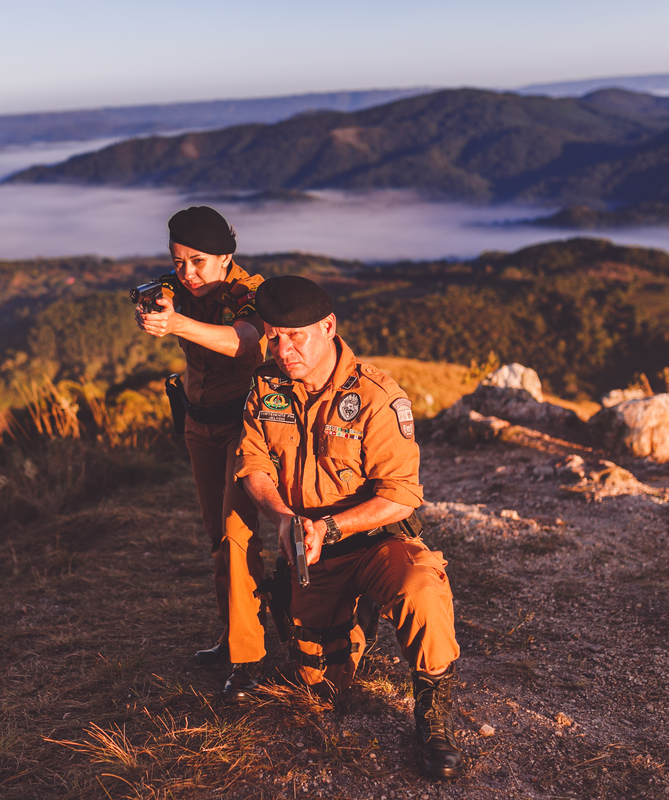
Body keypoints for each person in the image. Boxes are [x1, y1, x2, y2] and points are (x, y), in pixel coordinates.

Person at [234, 275, 464, 781]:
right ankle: (348, 625)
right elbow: (253, 463)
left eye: (296, 336)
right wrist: (284, 518)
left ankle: (433, 715)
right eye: (273, 335)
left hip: (376, 542)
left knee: (421, 588)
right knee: (318, 686)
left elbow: (401, 494)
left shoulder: (377, 395)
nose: (283, 348)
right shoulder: (266, 385)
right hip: (310, 552)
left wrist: (330, 527)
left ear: (329, 326)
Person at [136, 206, 267, 702]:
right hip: (198, 423)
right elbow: (156, 299)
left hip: (243, 428)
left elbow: (245, 342)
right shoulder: (178, 288)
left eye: (198, 262)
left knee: (236, 534)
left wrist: (177, 325)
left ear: (226, 256)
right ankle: (232, 633)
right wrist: (151, 313)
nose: (187, 273)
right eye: (178, 261)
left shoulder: (249, 294)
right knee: (218, 535)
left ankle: (247, 657)